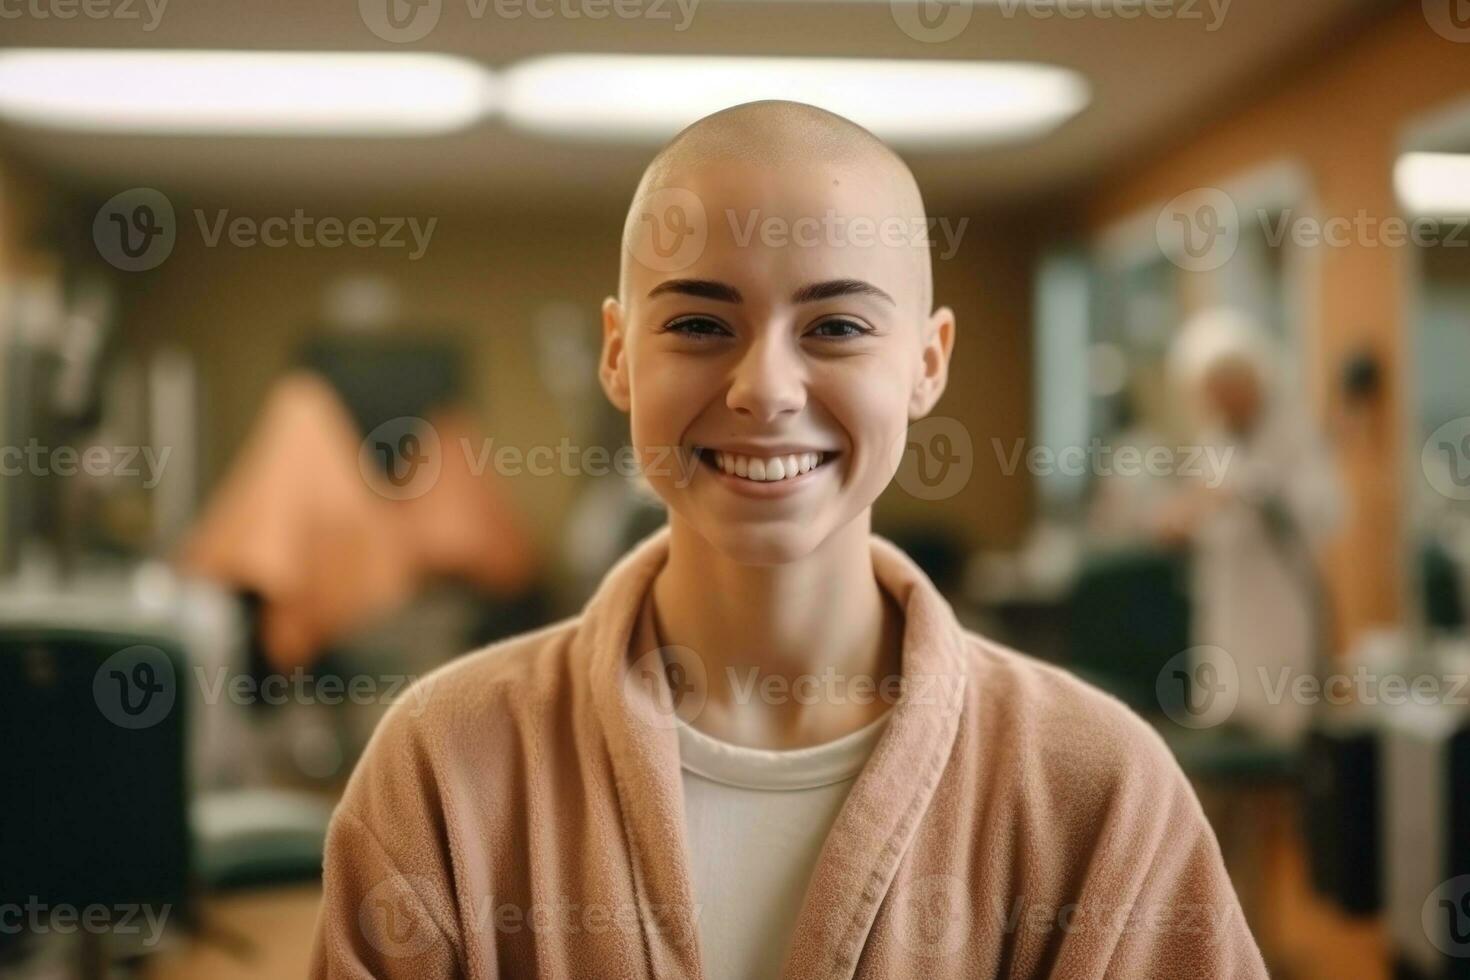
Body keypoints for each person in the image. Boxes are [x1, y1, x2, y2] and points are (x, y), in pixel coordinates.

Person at [310, 101, 1267, 979]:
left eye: (838, 325)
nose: (765, 389)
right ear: (617, 354)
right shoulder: (445, 767)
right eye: (696, 322)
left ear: (927, 363)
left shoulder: (1096, 788)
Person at [1156, 307, 1345, 743]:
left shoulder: (1294, 434)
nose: (1216, 404)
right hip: (1227, 614)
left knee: (1283, 745)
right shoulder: (1216, 440)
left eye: (1222, 391)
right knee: (1225, 738)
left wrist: (1246, 488)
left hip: (1280, 614)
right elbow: (1205, 514)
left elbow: (1325, 511)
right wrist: (1184, 522)